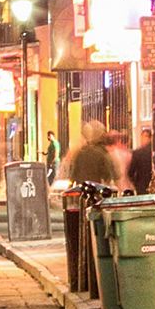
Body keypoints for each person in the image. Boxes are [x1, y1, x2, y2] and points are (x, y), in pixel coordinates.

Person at [59, 122, 121, 298]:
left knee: (82, 241)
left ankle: (81, 281)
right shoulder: (102, 154)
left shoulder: (81, 153)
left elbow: (72, 176)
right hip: (97, 201)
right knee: (97, 241)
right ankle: (94, 284)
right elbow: (113, 176)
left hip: (79, 202)